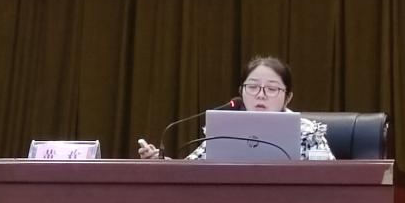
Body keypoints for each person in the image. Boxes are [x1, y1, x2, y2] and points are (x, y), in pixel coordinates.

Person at [138, 55, 335, 160]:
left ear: (288, 97)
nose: (261, 94)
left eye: (272, 89)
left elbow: (328, 178)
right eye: (253, 87)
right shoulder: (225, 128)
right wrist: (162, 164)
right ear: (241, 91)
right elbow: (191, 171)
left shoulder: (307, 132)